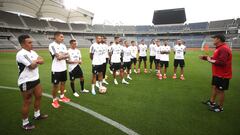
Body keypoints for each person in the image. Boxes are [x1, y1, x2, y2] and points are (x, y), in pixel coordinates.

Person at [16, 35, 48, 130]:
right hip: (26, 81)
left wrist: (36, 61)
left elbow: (42, 60)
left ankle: (37, 115)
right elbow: (32, 66)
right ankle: (25, 123)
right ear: (22, 44)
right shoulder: (21, 54)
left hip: (35, 79)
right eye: (29, 42)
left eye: (31, 42)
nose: (32, 44)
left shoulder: (32, 52)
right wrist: (36, 61)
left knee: (39, 96)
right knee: (27, 102)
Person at [200, 34, 232, 112]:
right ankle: (212, 102)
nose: (213, 40)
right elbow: (215, 59)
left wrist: (210, 60)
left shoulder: (223, 49)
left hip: (223, 75)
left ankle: (220, 107)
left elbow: (222, 62)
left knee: (220, 91)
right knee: (214, 87)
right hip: (217, 73)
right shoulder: (219, 48)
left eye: (214, 38)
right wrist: (205, 58)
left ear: (218, 39)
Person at [49, 32, 70, 108]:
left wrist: (62, 55)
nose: (63, 38)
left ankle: (62, 96)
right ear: (56, 37)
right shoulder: (52, 45)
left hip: (63, 68)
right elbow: (58, 57)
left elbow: (68, 55)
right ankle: (54, 100)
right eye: (61, 37)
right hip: (56, 69)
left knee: (63, 83)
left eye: (63, 37)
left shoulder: (63, 46)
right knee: (55, 85)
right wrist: (63, 55)